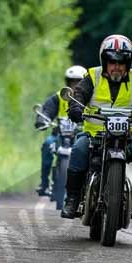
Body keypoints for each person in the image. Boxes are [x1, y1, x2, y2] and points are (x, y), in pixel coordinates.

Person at [61, 34, 132, 221]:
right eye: (112, 62)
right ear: (104, 61)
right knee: (78, 149)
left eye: (121, 62)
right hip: (95, 134)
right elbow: (80, 94)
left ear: (128, 63)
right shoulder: (92, 76)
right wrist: (75, 108)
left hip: (126, 135)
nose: (116, 66)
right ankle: (72, 199)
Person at [34, 65, 87, 196]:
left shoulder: (89, 98)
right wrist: (42, 119)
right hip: (59, 135)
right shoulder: (58, 97)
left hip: (80, 135)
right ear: (67, 82)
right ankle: (44, 184)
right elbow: (47, 110)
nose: (75, 85)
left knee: (89, 151)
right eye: (72, 82)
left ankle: (87, 185)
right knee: (47, 145)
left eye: (78, 82)